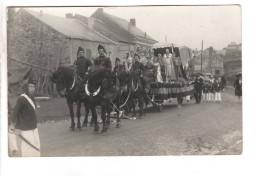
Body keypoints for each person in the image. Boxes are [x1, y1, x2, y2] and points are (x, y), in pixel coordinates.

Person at [9, 78, 41, 157]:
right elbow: (14, 112)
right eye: (30, 87)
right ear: (26, 87)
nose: (32, 89)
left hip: (34, 126)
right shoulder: (22, 98)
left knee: (36, 145)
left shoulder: (31, 98)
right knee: (27, 147)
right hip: (26, 128)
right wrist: (12, 124)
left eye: (33, 87)